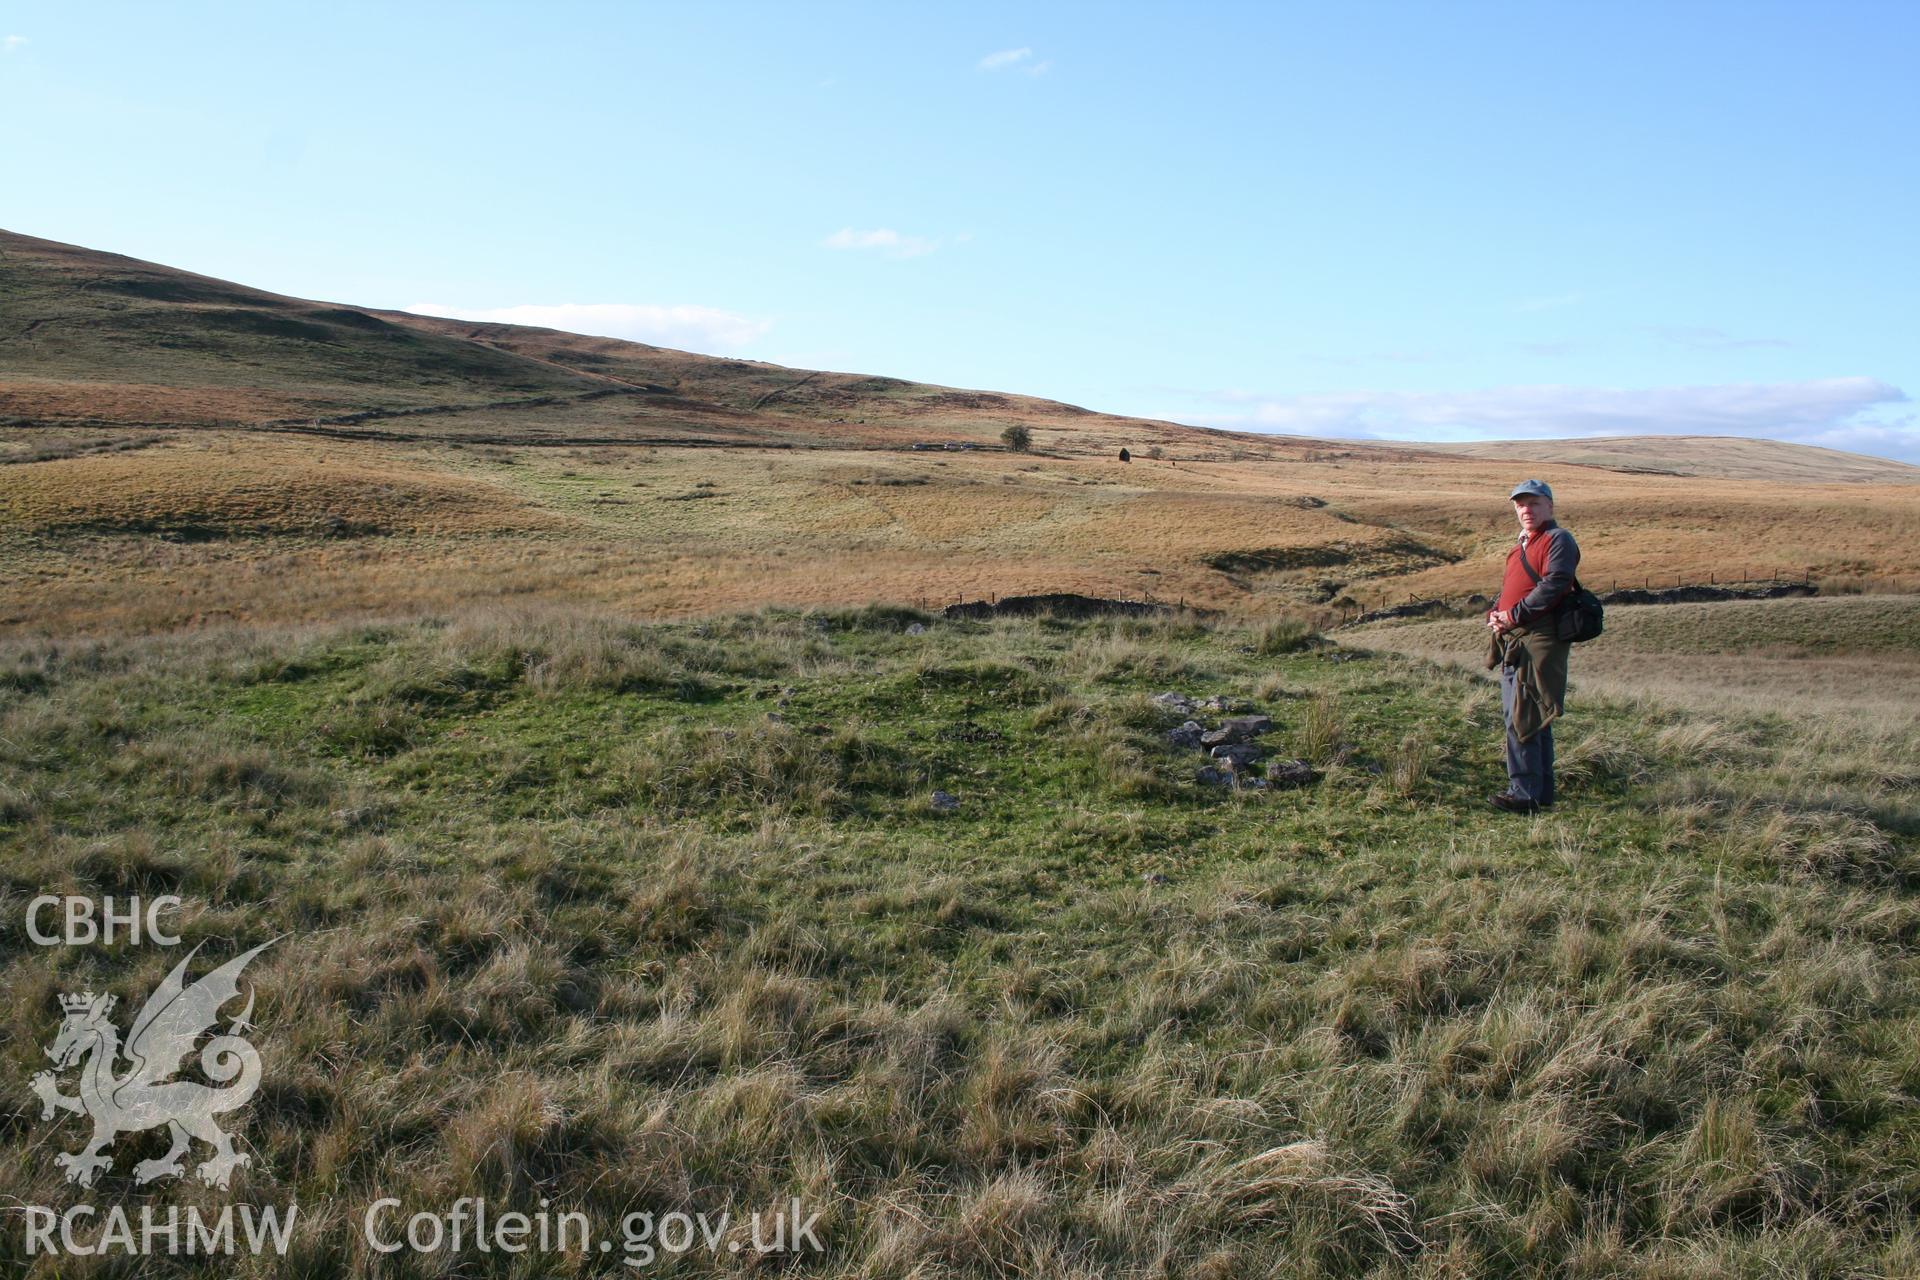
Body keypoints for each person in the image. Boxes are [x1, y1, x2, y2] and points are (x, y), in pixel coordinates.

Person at [1484, 479, 1579, 813]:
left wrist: (1515, 615)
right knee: (1533, 714)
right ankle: (1540, 792)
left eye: (1534, 503)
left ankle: (1523, 794)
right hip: (1516, 636)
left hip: (1538, 638)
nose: (1527, 510)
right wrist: (1496, 614)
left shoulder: (1558, 539)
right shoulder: (1521, 545)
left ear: (1550, 506)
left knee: (1521, 715)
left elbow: (1555, 583)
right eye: (1521, 505)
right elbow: (1514, 586)